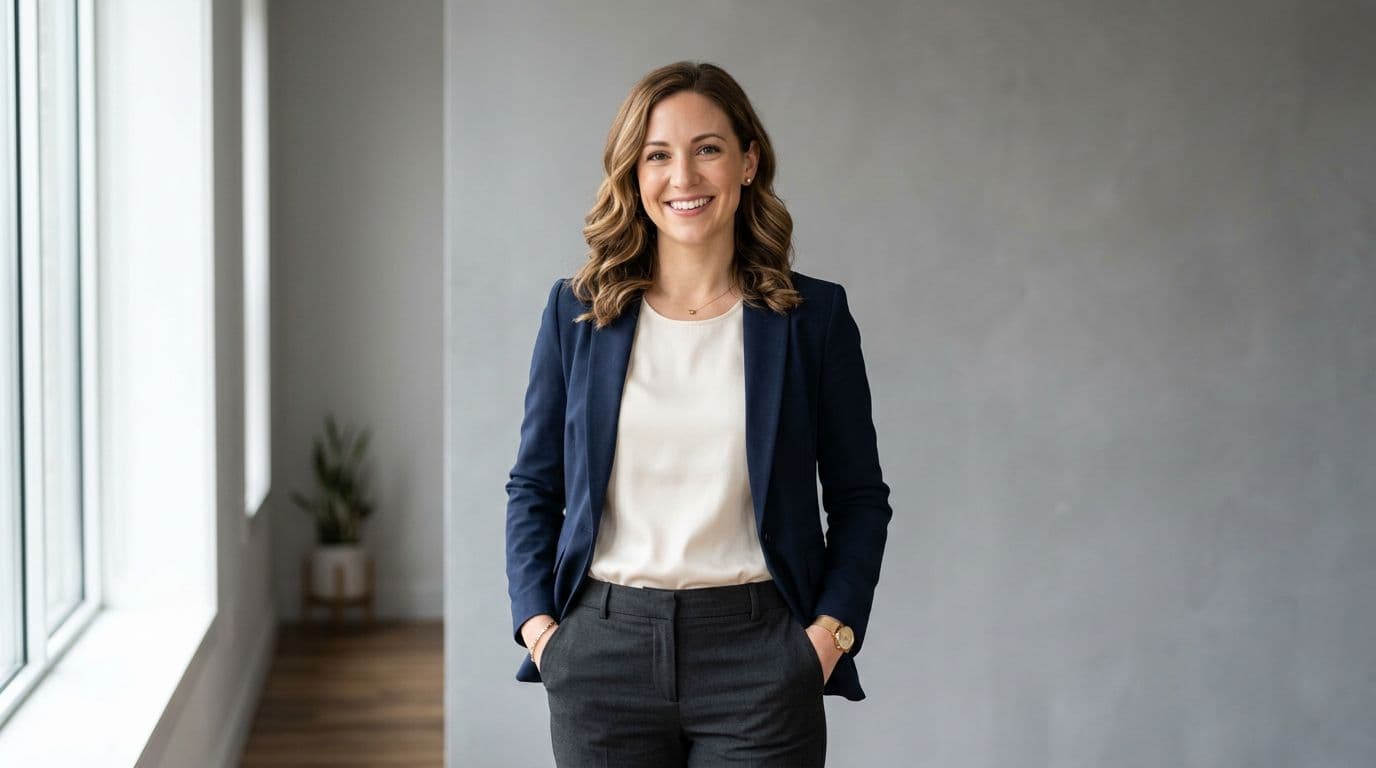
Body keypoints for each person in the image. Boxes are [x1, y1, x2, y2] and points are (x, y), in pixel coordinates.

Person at [505, 60, 892, 767]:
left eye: (707, 148)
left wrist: (829, 638)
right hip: (601, 651)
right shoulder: (578, 313)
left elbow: (860, 498)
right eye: (658, 155)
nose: (683, 177)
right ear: (634, 172)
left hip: (761, 655)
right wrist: (539, 629)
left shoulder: (812, 320)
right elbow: (534, 486)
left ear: (747, 162)